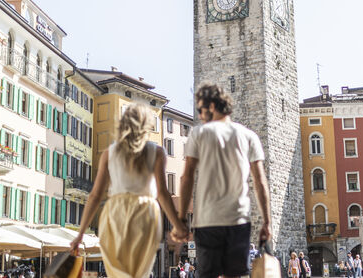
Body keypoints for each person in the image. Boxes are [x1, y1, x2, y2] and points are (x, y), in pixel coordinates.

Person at [69, 104, 187, 278]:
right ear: (147, 126)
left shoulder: (110, 153)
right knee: (139, 273)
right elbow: (162, 193)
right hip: (145, 213)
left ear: (122, 124)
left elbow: (95, 196)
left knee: (118, 273)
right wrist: (177, 225)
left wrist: (80, 235)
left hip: (115, 212)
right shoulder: (157, 152)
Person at [173, 83, 272, 278]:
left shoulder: (199, 134)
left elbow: (187, 177)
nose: (200, 115)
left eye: (200, 109)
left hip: (207, 220)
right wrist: (267, 222)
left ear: (210, 106)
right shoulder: (249, 136)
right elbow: (260, 182)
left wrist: (182, 218)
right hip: (238, 219)